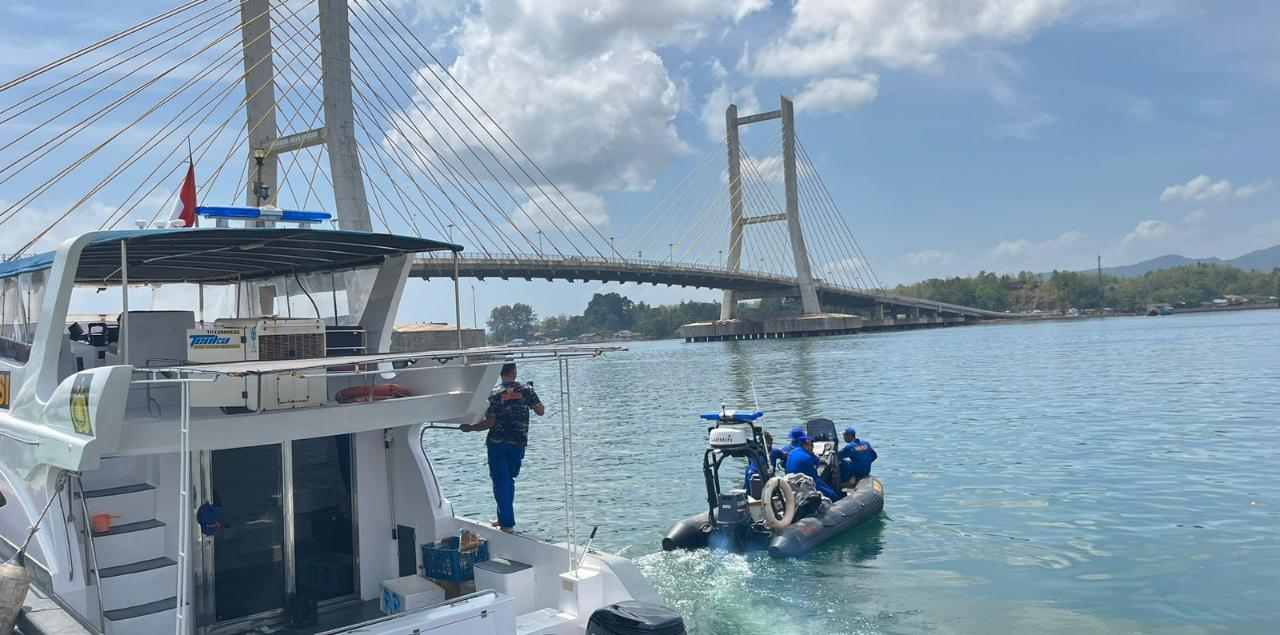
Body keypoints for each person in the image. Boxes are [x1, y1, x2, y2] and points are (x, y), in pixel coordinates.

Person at [460, 363, 544, 532]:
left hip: (497, 443)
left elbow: (490, 422)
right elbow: (540, 410)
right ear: (514, 371)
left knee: (501, 482)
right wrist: (527, 398)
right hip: (518, 443)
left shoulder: (493, 393)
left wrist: (470, 428)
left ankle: (506, 523)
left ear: (500, 373)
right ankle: (504, 518)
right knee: (508, 480)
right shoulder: (526, 390)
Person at [784, 432, 841, 501]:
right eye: (811, 446)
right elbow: (817, 466)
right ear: (805, 445)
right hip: (806, 481)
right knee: (832, 494)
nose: (812, 448)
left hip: (791, 481)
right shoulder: (808, 457)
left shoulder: (792, 452)